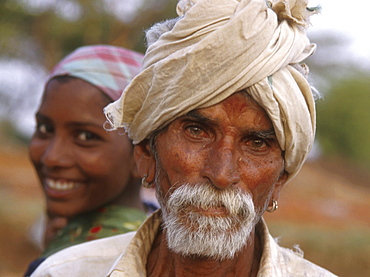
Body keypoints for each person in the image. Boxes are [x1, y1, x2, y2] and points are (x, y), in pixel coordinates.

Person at [31, 0, 337, 276]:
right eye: (196, 132)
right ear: (145, 153)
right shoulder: (63, 272)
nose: (221, 174)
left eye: (256, 143)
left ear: (279, 180)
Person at [25, 45, 150, 276]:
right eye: (45, 128)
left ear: (143, 155)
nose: (51, 157)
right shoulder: (156, 238)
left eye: (85, 136)